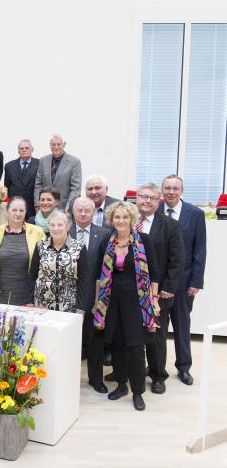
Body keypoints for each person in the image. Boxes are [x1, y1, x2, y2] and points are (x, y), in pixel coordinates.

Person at [93, 201, 160, 411]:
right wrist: (98, 304)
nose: (121, 221)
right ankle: (122, 385)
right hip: (111, 301)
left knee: (136, 348)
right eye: (117, 217)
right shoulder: (107, 240)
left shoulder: (144, 241)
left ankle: (138, 392)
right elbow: (98, 275)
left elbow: (155, 273)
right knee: (117, 346)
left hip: (137, 302)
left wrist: (155, 301)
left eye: (125, 217)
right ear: (111, 220)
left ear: (132, 219)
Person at [136, 183, 185, 394]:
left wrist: (168, 288)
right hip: (130, 291)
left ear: (159, 201)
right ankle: (133, 370)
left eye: (152, 198)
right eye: (143, 196)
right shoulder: (127, 221)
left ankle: (158, 375)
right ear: (136, 198)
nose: (147, 201)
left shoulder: (169, 226)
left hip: (157, 293)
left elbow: (177, 260)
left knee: (155, 336)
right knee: (131, 333)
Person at [159, 175, 206, 385]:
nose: (170, 192)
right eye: (167, 188)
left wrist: (196, 281)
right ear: (162, 190)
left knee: (181, 326)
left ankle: (184, 367)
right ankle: (156, 366)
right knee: (157, 329)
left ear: (182, 191)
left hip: (184, 282)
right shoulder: (153, 211)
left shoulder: (195, 214)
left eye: (175, 188)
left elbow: (200, 250)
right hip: (158, 283)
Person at [70, 196, 111, 393]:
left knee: (95, 340)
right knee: (69, 339)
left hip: (95, 295)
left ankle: (96, 379)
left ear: (94, 212)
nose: (84, 213)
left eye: (88, 210)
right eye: (80, 210)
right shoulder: (63, 230)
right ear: (73, 211)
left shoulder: (104, 234)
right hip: (68, 295)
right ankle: (67, 379)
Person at [0, 197, 45, 305]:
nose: (18, 213)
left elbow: (44, 262)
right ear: (7, 211)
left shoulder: (37, 232)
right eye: (14, 210)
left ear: (26, 212)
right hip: (1, 292)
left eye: (21, 210)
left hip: (28, 293)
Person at [30, 210, 91, 313]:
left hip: (70, 306)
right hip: (42, 305)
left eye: (60, 225)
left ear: (67, 227)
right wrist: (30, 302)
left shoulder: (79, 247)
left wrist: (81, 307)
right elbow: (32, 275)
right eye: (52, 225)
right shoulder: (40, 246)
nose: (56, 228)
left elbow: (84, 280)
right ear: (48, 226)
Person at [34, 134, 81, 210]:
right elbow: (38, 185)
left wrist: (69, 207)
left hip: (64, 209)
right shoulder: (43, 160)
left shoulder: (74, 162)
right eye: (53, 144)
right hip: (44, 209)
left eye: (58, 144)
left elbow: (75, 188)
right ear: (50, 145)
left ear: (64, 144)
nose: (56, 147)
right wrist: (37, 204)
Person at [3, 139, 40, 215]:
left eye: (26, 148)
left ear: (32, 150)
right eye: (21, 148)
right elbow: (7, 187)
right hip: (15, 207)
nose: (24, 150)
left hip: (33, 206)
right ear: (18, 151)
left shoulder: (40, 164)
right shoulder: (9, 166)